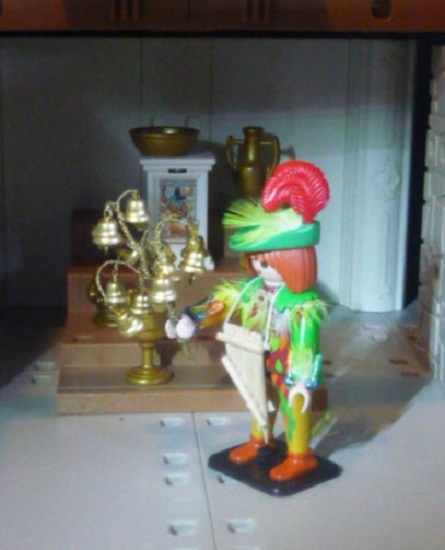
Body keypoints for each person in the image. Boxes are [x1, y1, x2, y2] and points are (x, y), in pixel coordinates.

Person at [166, 159, 330, 482]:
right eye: (255, 261)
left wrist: (301, 379)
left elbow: (305, 343)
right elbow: (223, 299)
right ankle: (260, 440)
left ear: (293, 261)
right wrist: (193, 317)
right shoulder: (254, 288)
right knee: (256, 397)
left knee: (293, 406)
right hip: (258, 358)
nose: (258, 267)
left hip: (288, 367)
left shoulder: (302, 304)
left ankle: (300, 456)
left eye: (265, 261)